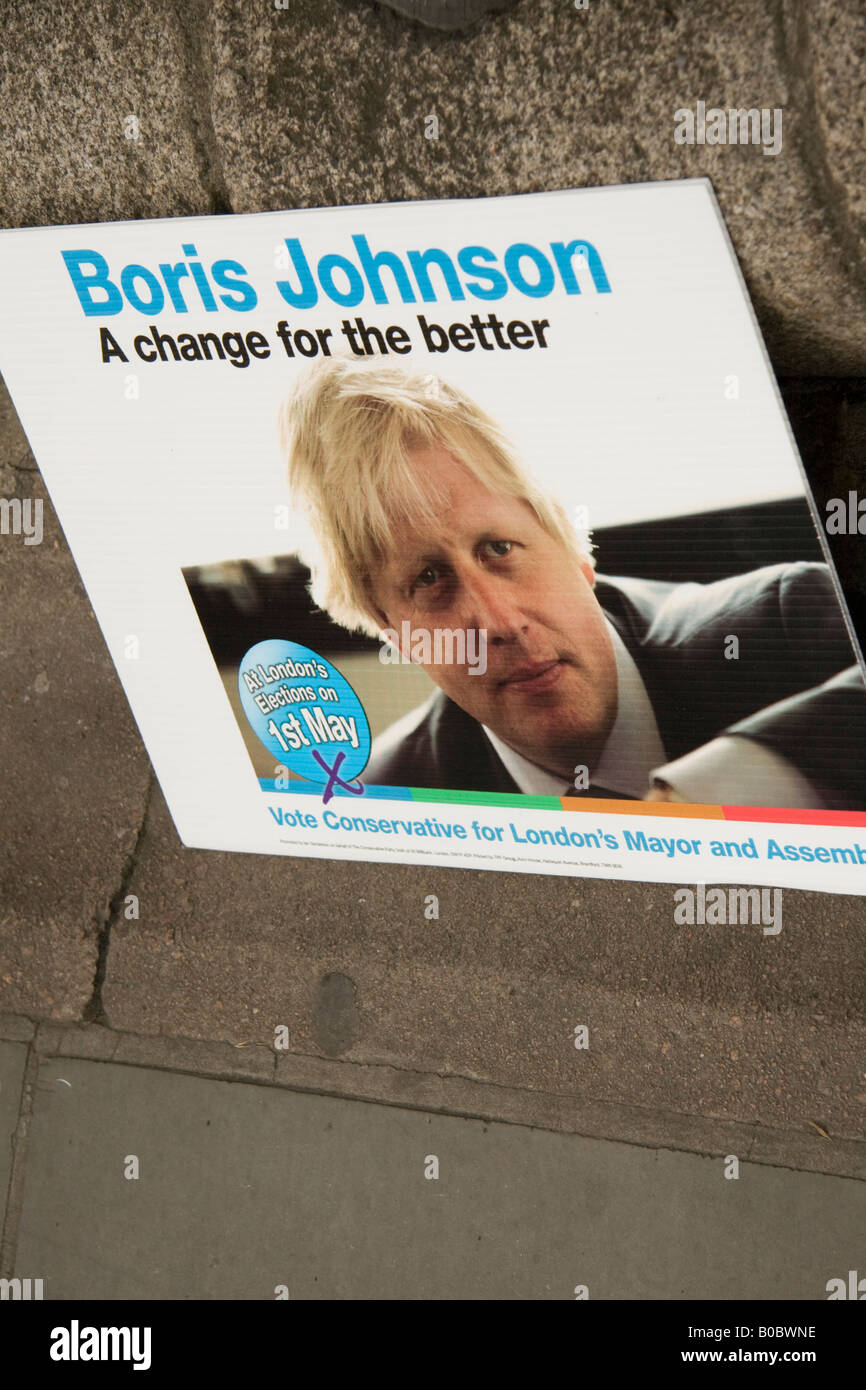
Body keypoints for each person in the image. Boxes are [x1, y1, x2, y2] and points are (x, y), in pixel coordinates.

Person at [279, 356, 865, 809]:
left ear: (574, 550)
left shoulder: (791, 625)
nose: (501, 622)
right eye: (429, 580)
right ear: (395, 633)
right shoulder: (385, 797)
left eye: (500, 549)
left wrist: (701, 797)